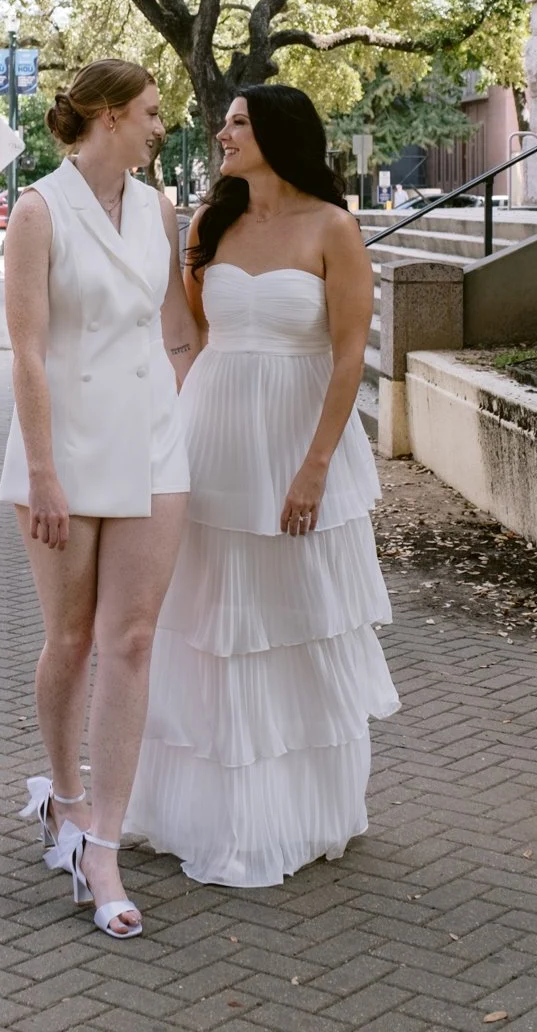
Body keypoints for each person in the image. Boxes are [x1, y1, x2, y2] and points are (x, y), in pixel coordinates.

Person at [126, 82, 398, 886]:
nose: (222, 132)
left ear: (278, 133)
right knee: (206, 623)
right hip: (210, 438)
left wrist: (312, 465)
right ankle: (204, 813)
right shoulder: (211, 223)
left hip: (297, 440)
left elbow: (349, 356)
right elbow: (195, 338)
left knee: (295, 625)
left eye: (238, 122)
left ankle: (297, 810)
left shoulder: (333, 228)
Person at [0, 60, 200, 939]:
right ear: (110, 115)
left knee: (132, 639)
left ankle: (104, 844)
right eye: (152, 112)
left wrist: (196, 414)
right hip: (64, 451)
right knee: (71, 640)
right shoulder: (39, 211)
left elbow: (179, 332)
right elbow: (28, 354)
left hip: (154, 442)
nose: (162, 125)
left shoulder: (160, 208)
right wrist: (43, 472)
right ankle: (65, 797)